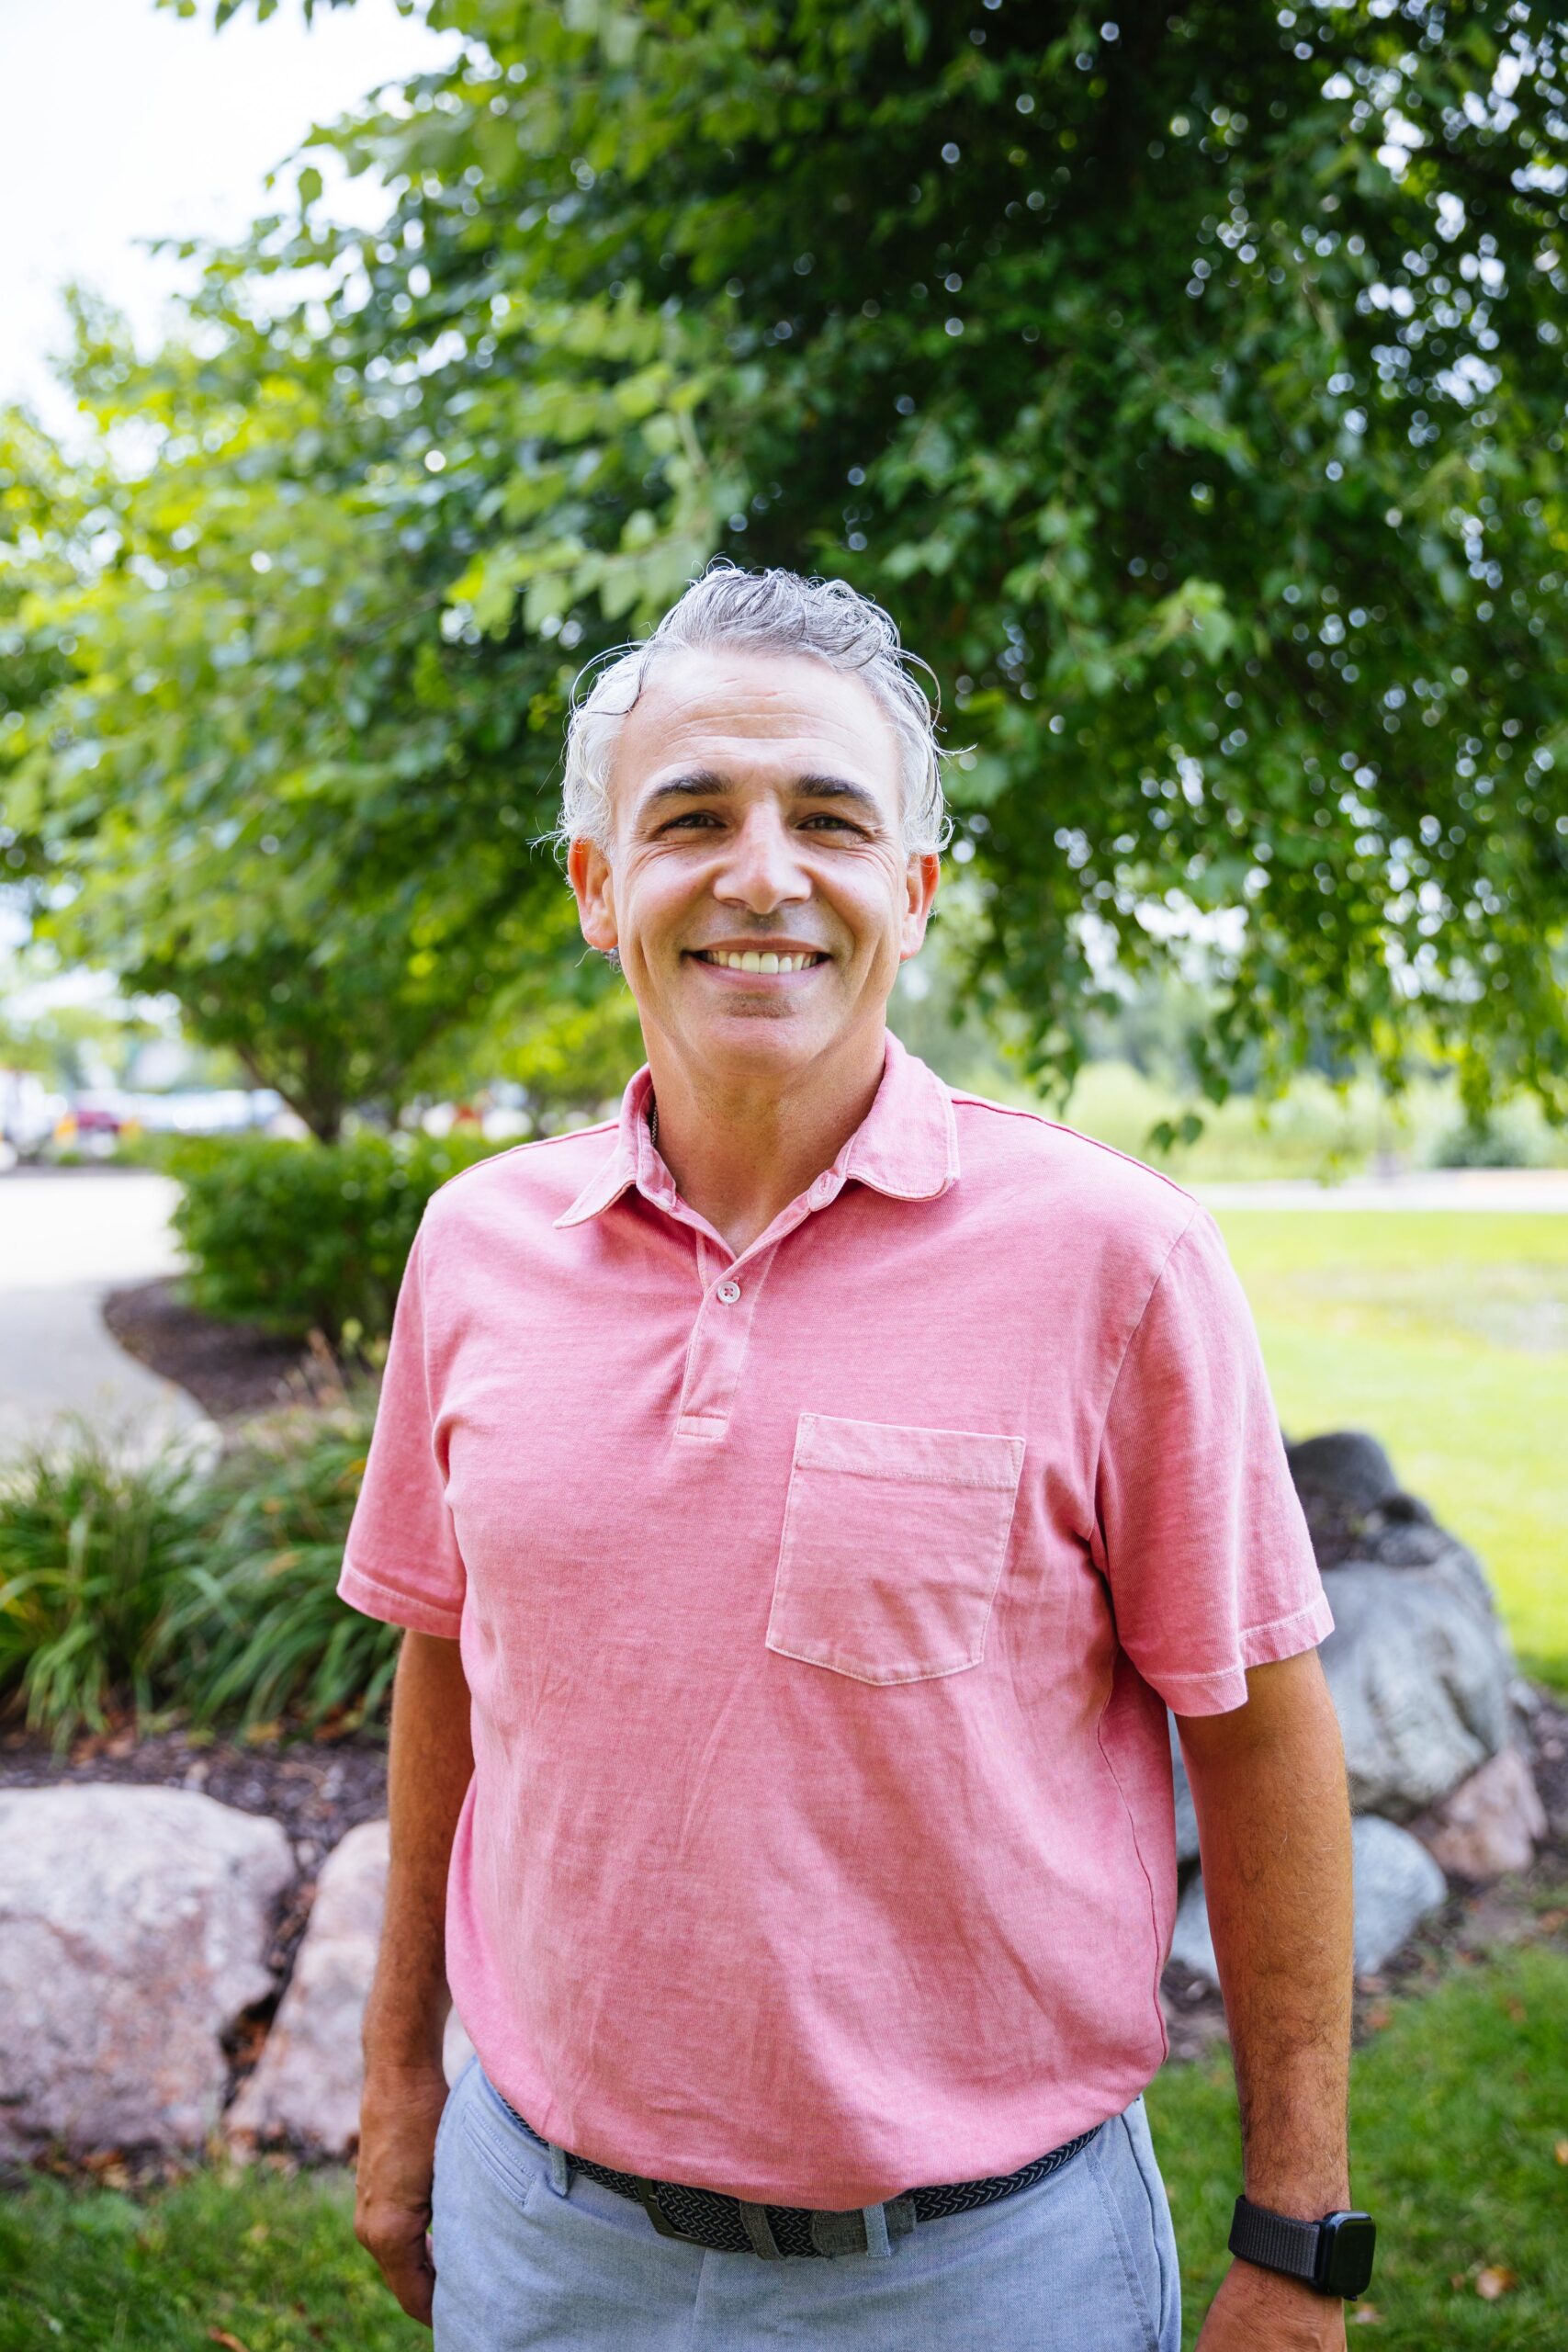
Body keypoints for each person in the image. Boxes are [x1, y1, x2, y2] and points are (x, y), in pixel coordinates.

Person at [339, 563, 1367, 2352]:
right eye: (688, 818)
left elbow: (1261, 1737)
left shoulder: (1115, 1261)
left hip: (984, 2273)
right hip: (540, 2241)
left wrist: (1296, 2227)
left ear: (911, 888)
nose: (758, 871)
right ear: (598, 886)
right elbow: (451, 1665)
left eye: (826, 816)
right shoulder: (474, 1243)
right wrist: (399, 2080)